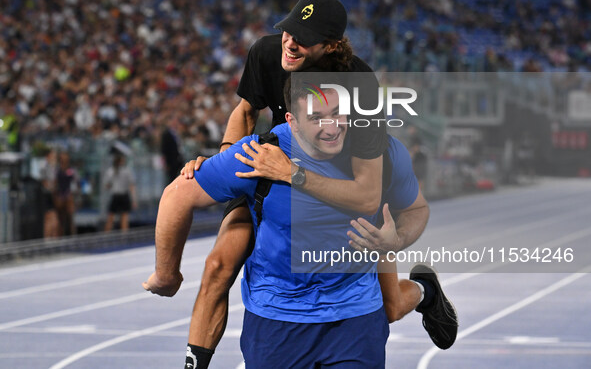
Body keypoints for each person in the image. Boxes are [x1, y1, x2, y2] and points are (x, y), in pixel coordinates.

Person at [144, 83, 457, 368]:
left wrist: (397, 239)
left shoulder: (379, 150)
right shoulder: (260, 150)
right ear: (291, 121)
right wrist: (167, 275)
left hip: (355, 315)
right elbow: (177, 195)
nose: (332, 127)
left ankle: (425, 290)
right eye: (317, 117)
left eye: (338, 114)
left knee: (394, 306)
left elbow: (416, 208)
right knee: (217, 267)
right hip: (277, 320)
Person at [177, 0, 388, 368]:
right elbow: (245, 111)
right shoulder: (266, 52)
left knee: (388, 290)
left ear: (331, 46)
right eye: (289, 31)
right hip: (265, 174)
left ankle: (419, 293)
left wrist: (296, 174)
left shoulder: (360, 82)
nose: (290, 43)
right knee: (218, 265)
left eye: (303, 38)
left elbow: (368, 186)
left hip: (330, 182)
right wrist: (226, 162)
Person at [104, 152, 137, 231]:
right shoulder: (126, 171)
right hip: (122, 196)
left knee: (113, 218)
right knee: (123, 217)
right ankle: (124, 237)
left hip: (117, 195)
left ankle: (107, 236)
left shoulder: (111, 171)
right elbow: (131, 186)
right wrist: (134, 199)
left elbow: (107, 185)